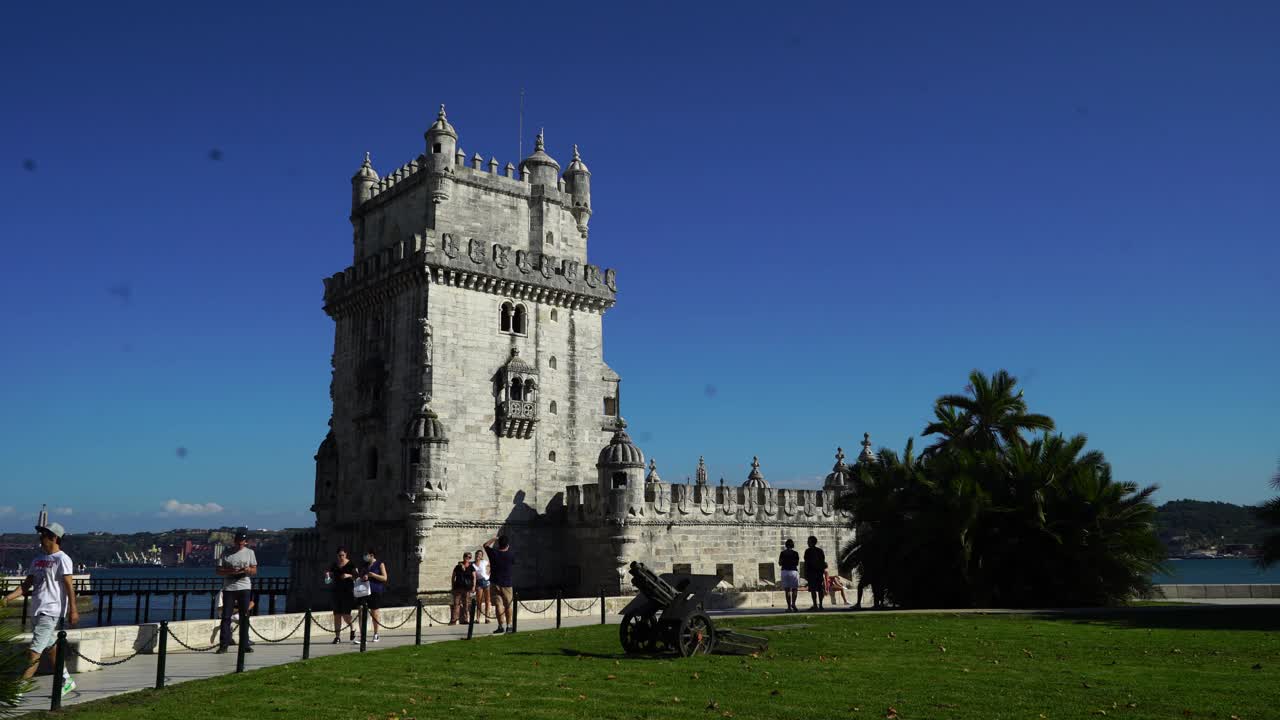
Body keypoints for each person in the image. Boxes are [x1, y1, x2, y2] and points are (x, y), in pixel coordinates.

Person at [1, 521, 78, 697]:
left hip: (50, 611)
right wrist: (7, 598)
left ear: (54, 537)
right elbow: (26, 585)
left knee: (34, 653)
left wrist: (73, 609)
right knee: (50, 648)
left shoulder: (63, 559)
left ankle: (18, 692)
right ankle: (67, 680)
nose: (41, 538)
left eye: (44, 535)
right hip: (36, 610)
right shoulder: (37, 560)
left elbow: (69, 586)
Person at [215, 529, 258, 653]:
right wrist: (231, 571)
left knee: (244, 616)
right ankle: (224, 644)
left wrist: (247, 570)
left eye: (242, 542)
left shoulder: (250, 553)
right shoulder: (226, 553)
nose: (240, 544)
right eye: (238, 541)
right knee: (226, 617)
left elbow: (254, 570)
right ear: (234, 541)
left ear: (245, 542)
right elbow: (218, 571)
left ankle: (245, 644)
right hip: (229, 587)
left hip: (244, 586)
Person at [483, 535, 515, 634]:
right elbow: (513, 562)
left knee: (498, 605)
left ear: (498, 544)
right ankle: (509, 626)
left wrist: (494, 538)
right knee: (508, 605)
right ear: (508, 545)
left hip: (495, 582)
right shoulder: (510, 555)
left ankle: (500, 626)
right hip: (507, 583)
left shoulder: (494, 553)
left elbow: (485, 545)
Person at [327, 547, 359, 644]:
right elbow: (330, 574)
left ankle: (352, 628)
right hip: (336, 591)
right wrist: (328, 575)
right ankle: (337, 637)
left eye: (343, 555)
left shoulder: (351, 564)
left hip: (348, 592)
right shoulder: (334, 565)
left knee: (346, 615)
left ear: (346, 554)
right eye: (339, 555)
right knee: (337, 615)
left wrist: (348, 575)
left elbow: (357, 576)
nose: (341, 557)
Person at [360, 549, 389, 642]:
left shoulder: (380, 564)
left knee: (374, 613)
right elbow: (361, 576)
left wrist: (373, 575)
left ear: (372, 555)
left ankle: (376, 634)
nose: (365, 557)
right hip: (364, 591)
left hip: (375, 591)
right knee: (361, 612)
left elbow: (384, 578)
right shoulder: (365, 565)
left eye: (366, 555)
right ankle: (362, 635)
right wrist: (363, 577)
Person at [449, 552, 476, 625]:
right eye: (466, 557)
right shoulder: (457, 567)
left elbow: (474, 577)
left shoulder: (471, 567)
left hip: (467, 588)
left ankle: (465, 619)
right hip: (458, 588)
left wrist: (473, 586)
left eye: (469, 557)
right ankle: (454, 620)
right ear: (464, 557)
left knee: (466, 604)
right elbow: (453, 577)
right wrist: (452, 586)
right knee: (456, 604)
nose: (468, 558)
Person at [803, 535, 827, 610]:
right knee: (820, 589)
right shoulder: (820, 551)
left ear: (811, 542)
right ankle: (820, 605)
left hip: (812, 572)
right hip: (819, 572)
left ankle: (815, 605)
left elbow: (806, 562)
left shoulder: (808, 551)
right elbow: (823, 561)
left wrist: (806, 573)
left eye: (808, 541)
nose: (807, 542)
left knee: (813, 590)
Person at [778, 538, 800, 612]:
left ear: (786, 545)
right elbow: (797, 563)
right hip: (793, 571)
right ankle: (793, 604)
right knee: (794, 589)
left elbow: (780, 563)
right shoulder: (795, 553)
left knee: (787, 590)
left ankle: (789, 607)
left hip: (785, 571)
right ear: (792, 545)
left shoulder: (783, 553)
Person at [473, 546, 492, 624]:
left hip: (486, 581)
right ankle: (477, 618)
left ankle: (487, 618)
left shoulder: (484, 562)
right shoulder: (473, 564)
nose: (478, 556)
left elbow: (492, 565)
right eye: (477, 554)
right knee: (479, 601)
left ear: (481, 556)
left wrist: (489, 573)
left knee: (487, 601)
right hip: (479, 583)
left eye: (480, 555)